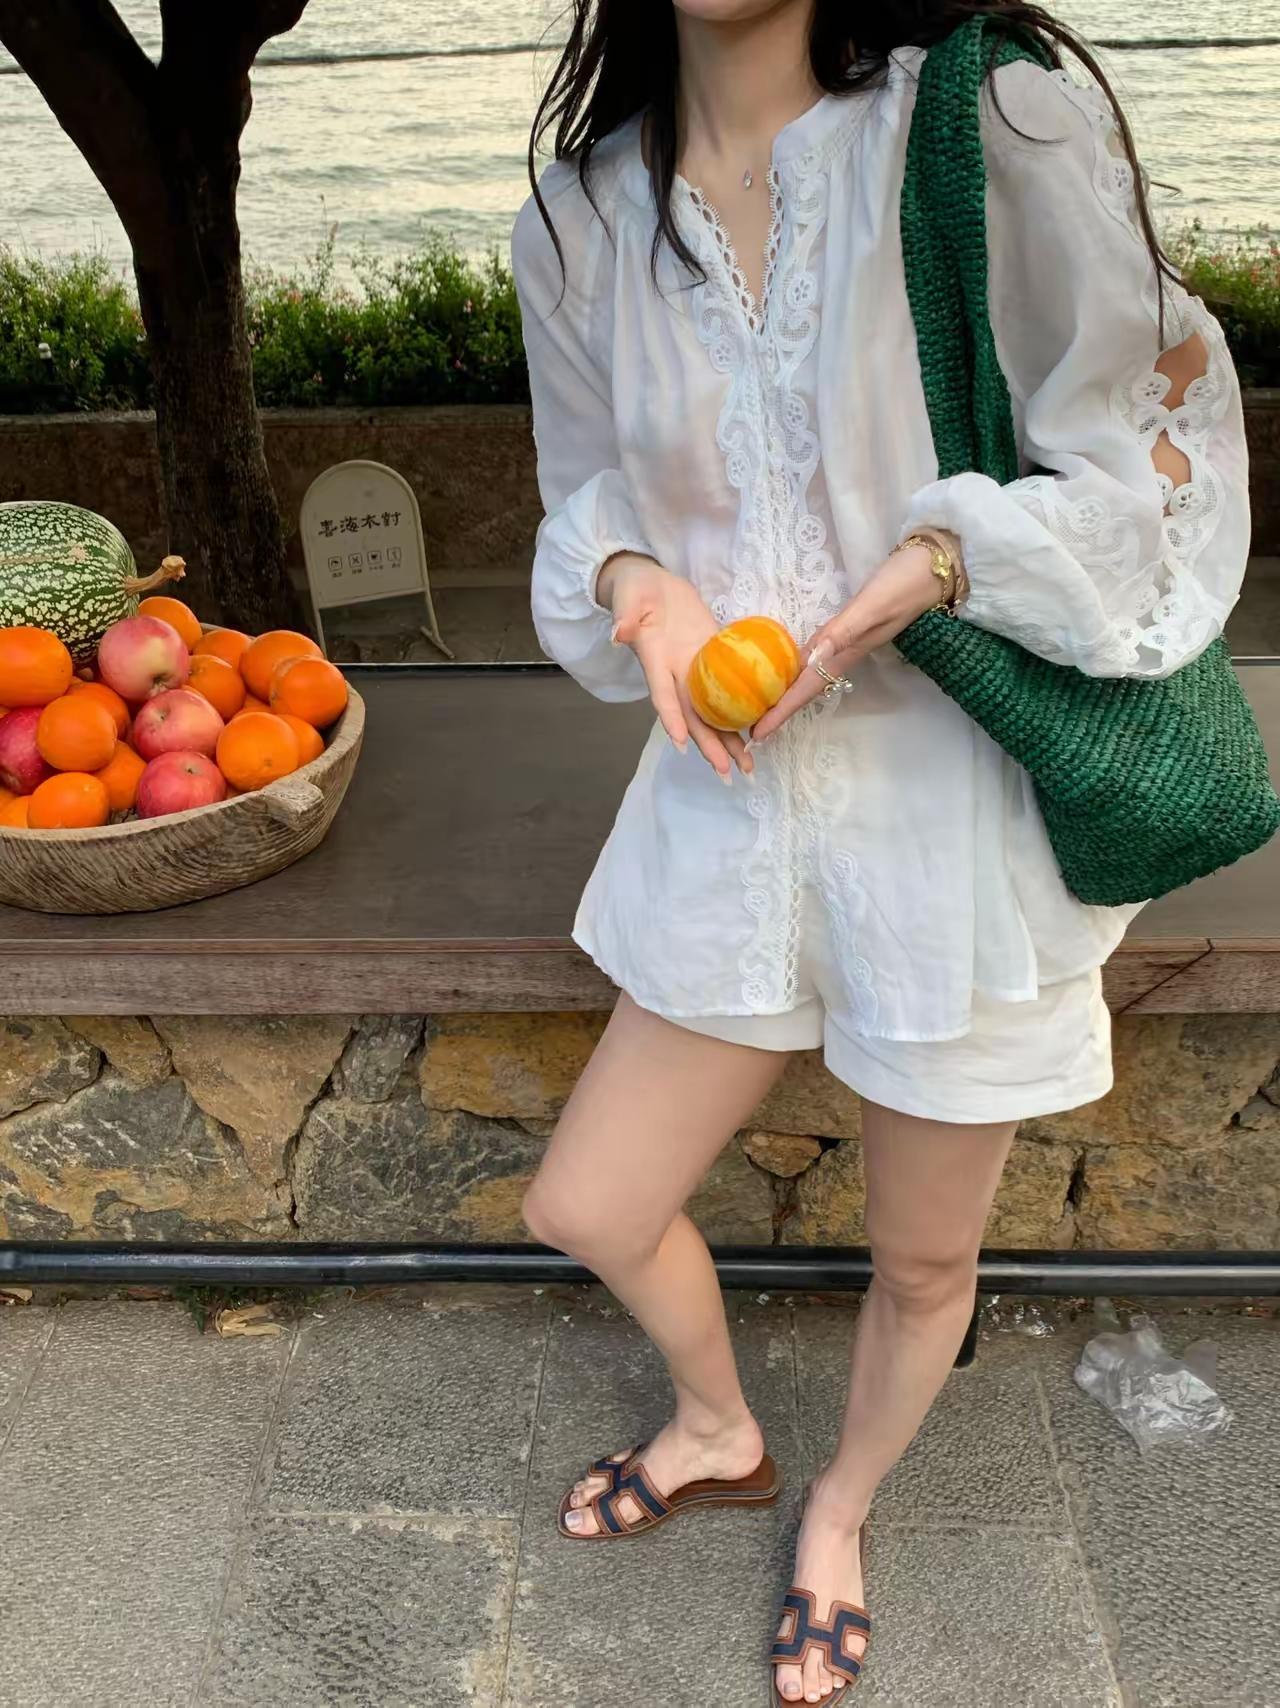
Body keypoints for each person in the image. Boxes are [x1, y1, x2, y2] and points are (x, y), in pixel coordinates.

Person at [509, 2, 1250, 1701]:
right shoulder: (583, 211)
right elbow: (585, 487)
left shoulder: (987, 127)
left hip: (947, 816)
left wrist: (939, 562)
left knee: (924, 1261)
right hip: (726, 806)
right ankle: (719, 1427)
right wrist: (642, 587)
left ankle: (839, 1508)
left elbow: (1156, 460)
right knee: (589, 1200)